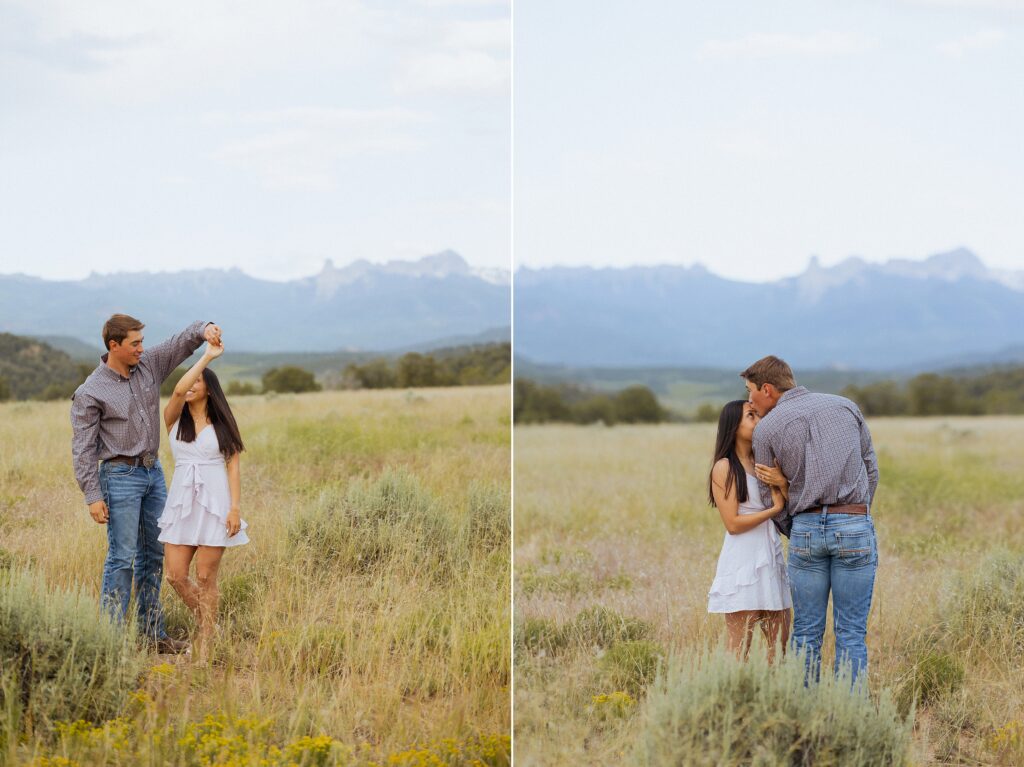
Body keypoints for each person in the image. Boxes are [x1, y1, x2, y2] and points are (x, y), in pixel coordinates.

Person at [71, 315, 222, 653]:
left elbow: (179, 341)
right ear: (114, 346)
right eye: (134, 343)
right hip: (118, 477)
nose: (142, 348)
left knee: (154, 554)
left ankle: (153, 635)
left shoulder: (149, 364)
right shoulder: (91, 391)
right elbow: (82, 448)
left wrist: (204, 329)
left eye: (142, 341)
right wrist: (92, 495)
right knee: (122, 558)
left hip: (153, 475)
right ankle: (108, 643)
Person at [742, 355, 879, 685]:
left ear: (768, 389)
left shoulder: (766, 431)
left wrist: (798, 526)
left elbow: (768, 495)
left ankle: (806, 719)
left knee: (805, 634)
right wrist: (855, 516)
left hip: (804, 530)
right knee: (851, 635)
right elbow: (871, 470)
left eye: (750, 392)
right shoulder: (846, 406)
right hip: (853, 524)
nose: (749, 401)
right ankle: (852, 720)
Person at [158, 342, 248, 659]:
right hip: (182, 504)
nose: (192, 385)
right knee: (175, 575)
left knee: (206, 578)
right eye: (190, 380)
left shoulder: (222, 425)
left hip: (215, 504)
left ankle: (206, 641)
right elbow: (179, 391)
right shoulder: (173, 418)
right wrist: (205, 358)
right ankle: (211, 623)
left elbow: (233, 465)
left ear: (210, 389)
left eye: (199, 381)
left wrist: (234, 508)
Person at [707, 400, 792, 660]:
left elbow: (788, 500)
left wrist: (784, 486)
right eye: (751, 416)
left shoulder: (763, 462)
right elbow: (732, 524)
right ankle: (735, 698)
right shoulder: (724, 467)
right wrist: (772, 510)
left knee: (780, 645)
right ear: (734, 426)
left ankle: (775, 698)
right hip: (743, 560)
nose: (758, 420)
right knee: (739, 646)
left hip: (770, 553)